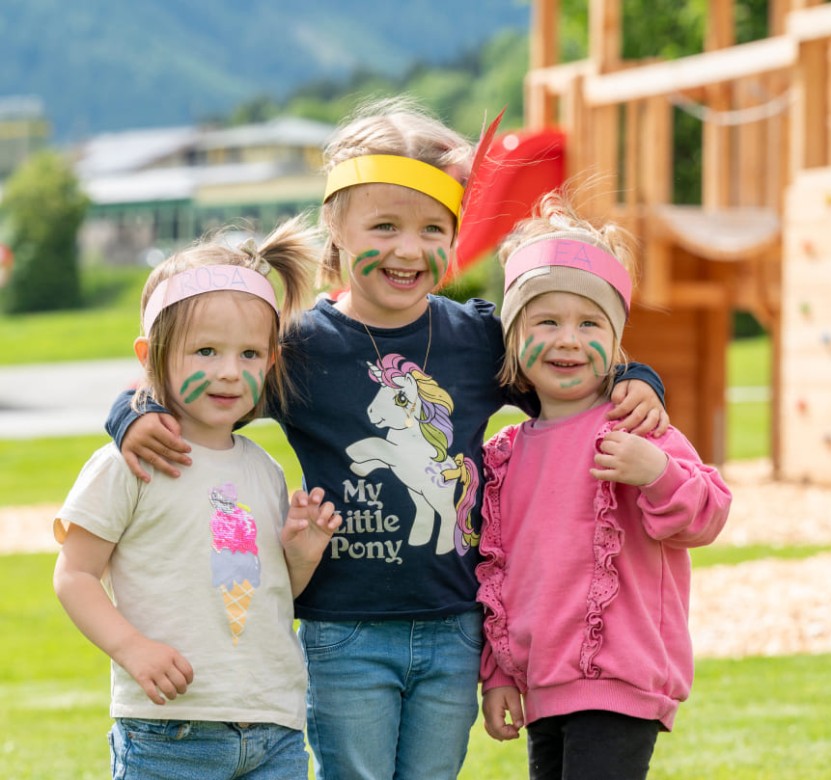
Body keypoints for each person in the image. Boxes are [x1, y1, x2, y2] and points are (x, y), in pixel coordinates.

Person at [104, 97, 669, 780]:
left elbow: (567, 366)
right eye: (384, 225)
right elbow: (203, 388)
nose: (409, 249)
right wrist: (130, 414)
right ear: (335, 228)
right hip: (344, 630)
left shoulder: (477, 339)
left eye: (433, 228)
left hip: (454, 624)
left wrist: (637, 377)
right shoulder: (300, 348)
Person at [53, 217, 342, 779]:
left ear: (271, 361)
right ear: (150, 355)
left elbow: (263, 590)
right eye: (205, 351)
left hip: (273, 725)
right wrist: (133, 649)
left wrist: (300, 556)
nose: (229, 373)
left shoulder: (263, 469)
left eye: (249, 355)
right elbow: (74, 575)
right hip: (170, 732)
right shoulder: (129, 463)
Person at [477, 190, 733, 780]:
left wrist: (656, 472)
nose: (568, 339)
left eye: (589, 323)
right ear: (516, 339)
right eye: (546, 321)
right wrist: (497, 676)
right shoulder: (504, 457)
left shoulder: (636, 426)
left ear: (616, 342)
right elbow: (496, 576)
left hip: (619, 676)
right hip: (543, 684)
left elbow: (709, 514)